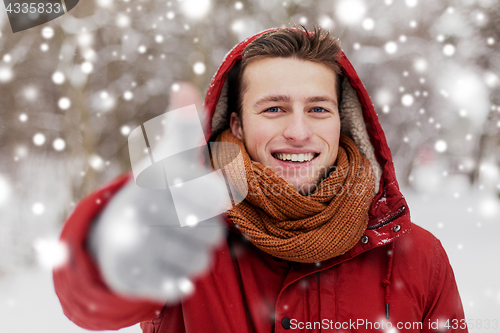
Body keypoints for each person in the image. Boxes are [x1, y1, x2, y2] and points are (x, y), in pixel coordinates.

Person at [53, 25, 468, 332]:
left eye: (319, 109)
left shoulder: (417, 256)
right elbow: (89, 303)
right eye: (274, 109)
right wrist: (111, 247)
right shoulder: (185, 237)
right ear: (235, 125)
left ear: (344, 123)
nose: (300, 132)